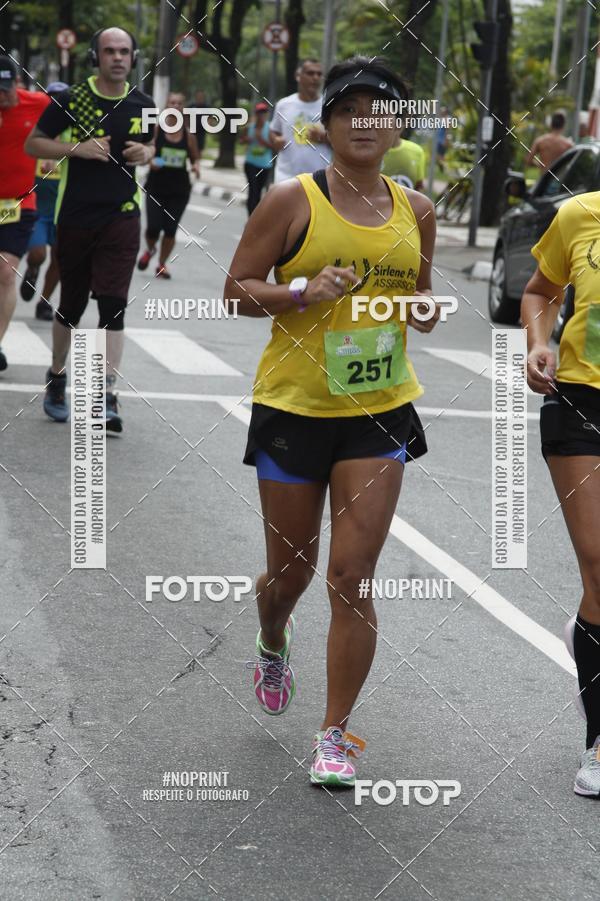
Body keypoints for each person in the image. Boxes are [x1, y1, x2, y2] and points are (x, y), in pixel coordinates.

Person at [224, 56, 441, 788]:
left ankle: (335, 734)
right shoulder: (291, 200)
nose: (364, 123)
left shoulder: (418, 209)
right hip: (294, 407)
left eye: (379, 110)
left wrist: (425, 308)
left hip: (378, 410)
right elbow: (235, 292)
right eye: (350, 110)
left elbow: (423, 291)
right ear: (329, 122)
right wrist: (299, 292)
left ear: (396, 126)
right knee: (292, 575)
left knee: (351, 576)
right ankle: (273, 632)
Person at [25, 26, 155, 431]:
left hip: (122, 215)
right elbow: (34, 144)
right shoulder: (70, 99)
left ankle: (107, 395)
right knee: (72, 305)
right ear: (95, 57)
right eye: (109, 51)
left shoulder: (144, 103)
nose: (117, 57)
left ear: (133, 58)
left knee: (113, 305)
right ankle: (57, 376)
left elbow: (151, 146)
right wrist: (76, 148)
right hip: (77, 215)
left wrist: (146, 152)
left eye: (124, 51)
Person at [522, 192, 600, 797]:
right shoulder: (580, 215)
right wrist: (538, 341)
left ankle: (589, 631)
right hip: (582, 400)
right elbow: (540, 292)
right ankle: (599, 741)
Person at [0, 55, 50, 370]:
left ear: (17, 84)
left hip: (18, 204)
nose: (1, 96)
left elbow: (68, 125)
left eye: (4, 89)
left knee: (5, 272)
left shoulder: (39, 104)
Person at [20, 81, 68, 322]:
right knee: (38, 253)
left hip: (64, 207)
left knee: (60, 259)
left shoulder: (73, 133)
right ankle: (32, 269)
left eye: (61, 99)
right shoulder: (35, 132)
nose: (56, 103)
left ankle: (45, 302)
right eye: (52, 98)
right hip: (38, 208)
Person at [137, 91, 199, 279]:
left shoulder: (188, 136)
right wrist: (150, 162)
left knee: (170, 230)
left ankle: (162, 264)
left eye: (180, 103)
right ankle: (150, 249)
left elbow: (195, 158)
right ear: (166, 106)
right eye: (172, 102)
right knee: (153, 228)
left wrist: (196, 166)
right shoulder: (156, 130)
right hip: (156, 186)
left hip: (179, 189)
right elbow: (145, 152)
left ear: (183, 108)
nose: (176, 106)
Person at [270, 59, 331, 183]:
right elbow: (273, 131)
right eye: (310, 73)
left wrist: (323, 137)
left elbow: (342, 140)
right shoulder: (284, 104)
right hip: (286, 176)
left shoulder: (329, 106)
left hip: (319, 178)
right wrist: (275, 140)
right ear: (298, 76)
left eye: (319, 74)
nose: (315, 77)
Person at [240, 101, 274, 216]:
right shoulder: (249, 127)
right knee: (253, 190)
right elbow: (241, 140)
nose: (261, 115)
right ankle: (250, 217)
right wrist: (246, 140)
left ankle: (255, 217)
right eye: (259, 113)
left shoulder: (270, 128)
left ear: (266, 115)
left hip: (265, 165)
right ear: (256, 114)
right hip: (251, 163)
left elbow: (275, 146)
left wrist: (261, 140)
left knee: (259, 192)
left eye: (263, 113)